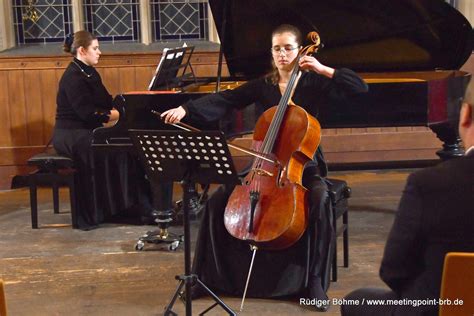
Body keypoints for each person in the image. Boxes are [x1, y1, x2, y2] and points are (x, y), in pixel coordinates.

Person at [162, 24, 368, 309]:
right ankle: (202, 277)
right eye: (277, 48)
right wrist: (187, 109)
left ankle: (315, 283)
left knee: (320, 200)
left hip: (303, 165)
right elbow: (227, 99)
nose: (282, 54)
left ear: (300, 51)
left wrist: (323, 69)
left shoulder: (314, 83)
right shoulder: (264, 86)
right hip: (263, 165)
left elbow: (360, 88)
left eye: (288, 48)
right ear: (271, 53)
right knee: (215, 201)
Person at [340, 77, 474, 316]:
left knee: (354, 302)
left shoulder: (429, 184)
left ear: (465, 114)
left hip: (436, 309)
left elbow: (394, 270)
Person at [53, 30, 153, 230]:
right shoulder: (73, 76)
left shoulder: (89, 71)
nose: (99, 52)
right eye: (95, 48)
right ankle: (99, 211)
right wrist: (122, 115)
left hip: (87, 130)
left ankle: (130, 207)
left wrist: (129, 106)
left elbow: (106, 101)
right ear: (82, 50)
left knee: (126, 147)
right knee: (97, 148)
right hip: (70, 134)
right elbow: (88, 115)